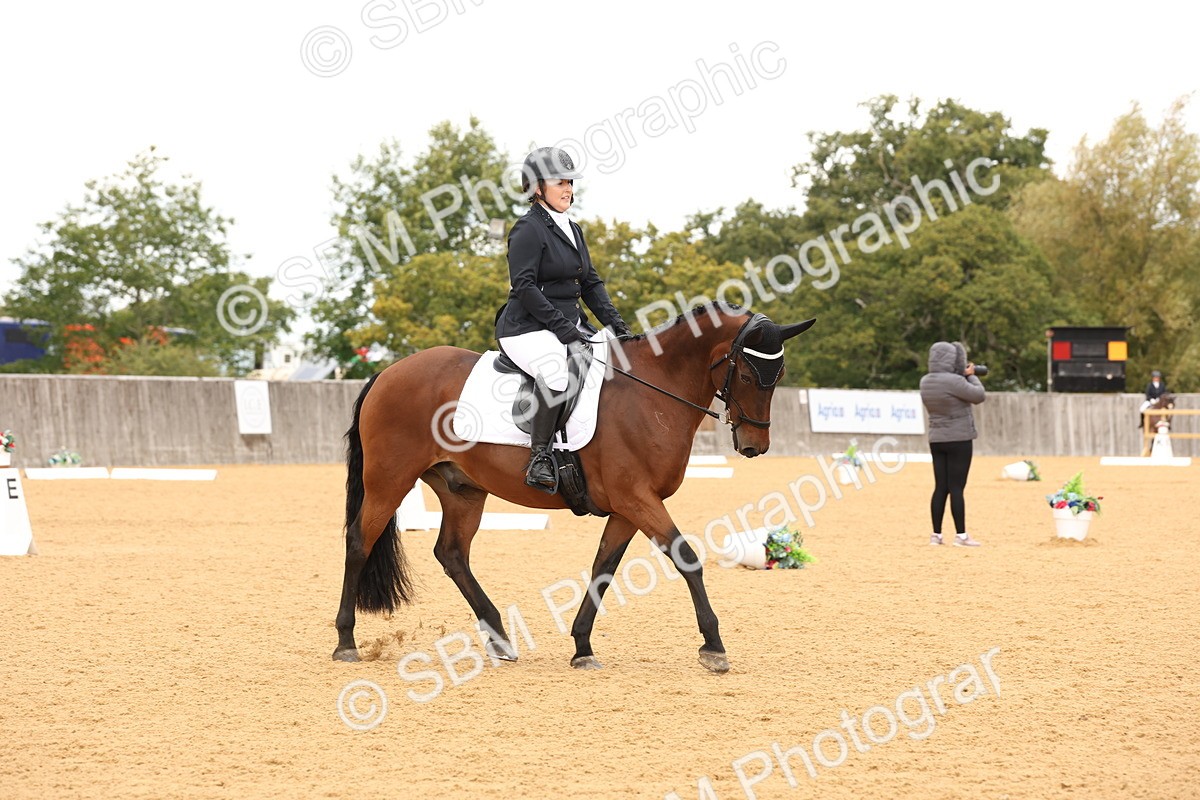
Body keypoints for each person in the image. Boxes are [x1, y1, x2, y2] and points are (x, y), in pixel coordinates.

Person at [495, 146, 633, 492]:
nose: (568, 188)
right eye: (560, 182)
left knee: (616, 359)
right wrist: (564, 330)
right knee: (558, 370)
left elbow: (590, 283)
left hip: (567, 324)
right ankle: (539, 458)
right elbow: (524, 286)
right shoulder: (527, 229)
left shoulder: (573, 228)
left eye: (570, 182)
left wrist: (618, 327)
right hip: (526, 327)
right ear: (537, 187)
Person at [919, 342, 985, 546]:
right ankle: (961, 535)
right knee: (957, 488)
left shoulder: (925, 381)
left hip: (937, 438)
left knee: (940, 487)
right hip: (959, 438)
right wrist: (971, 374)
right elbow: (979, 395)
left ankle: (936, 535)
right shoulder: (955, 381)